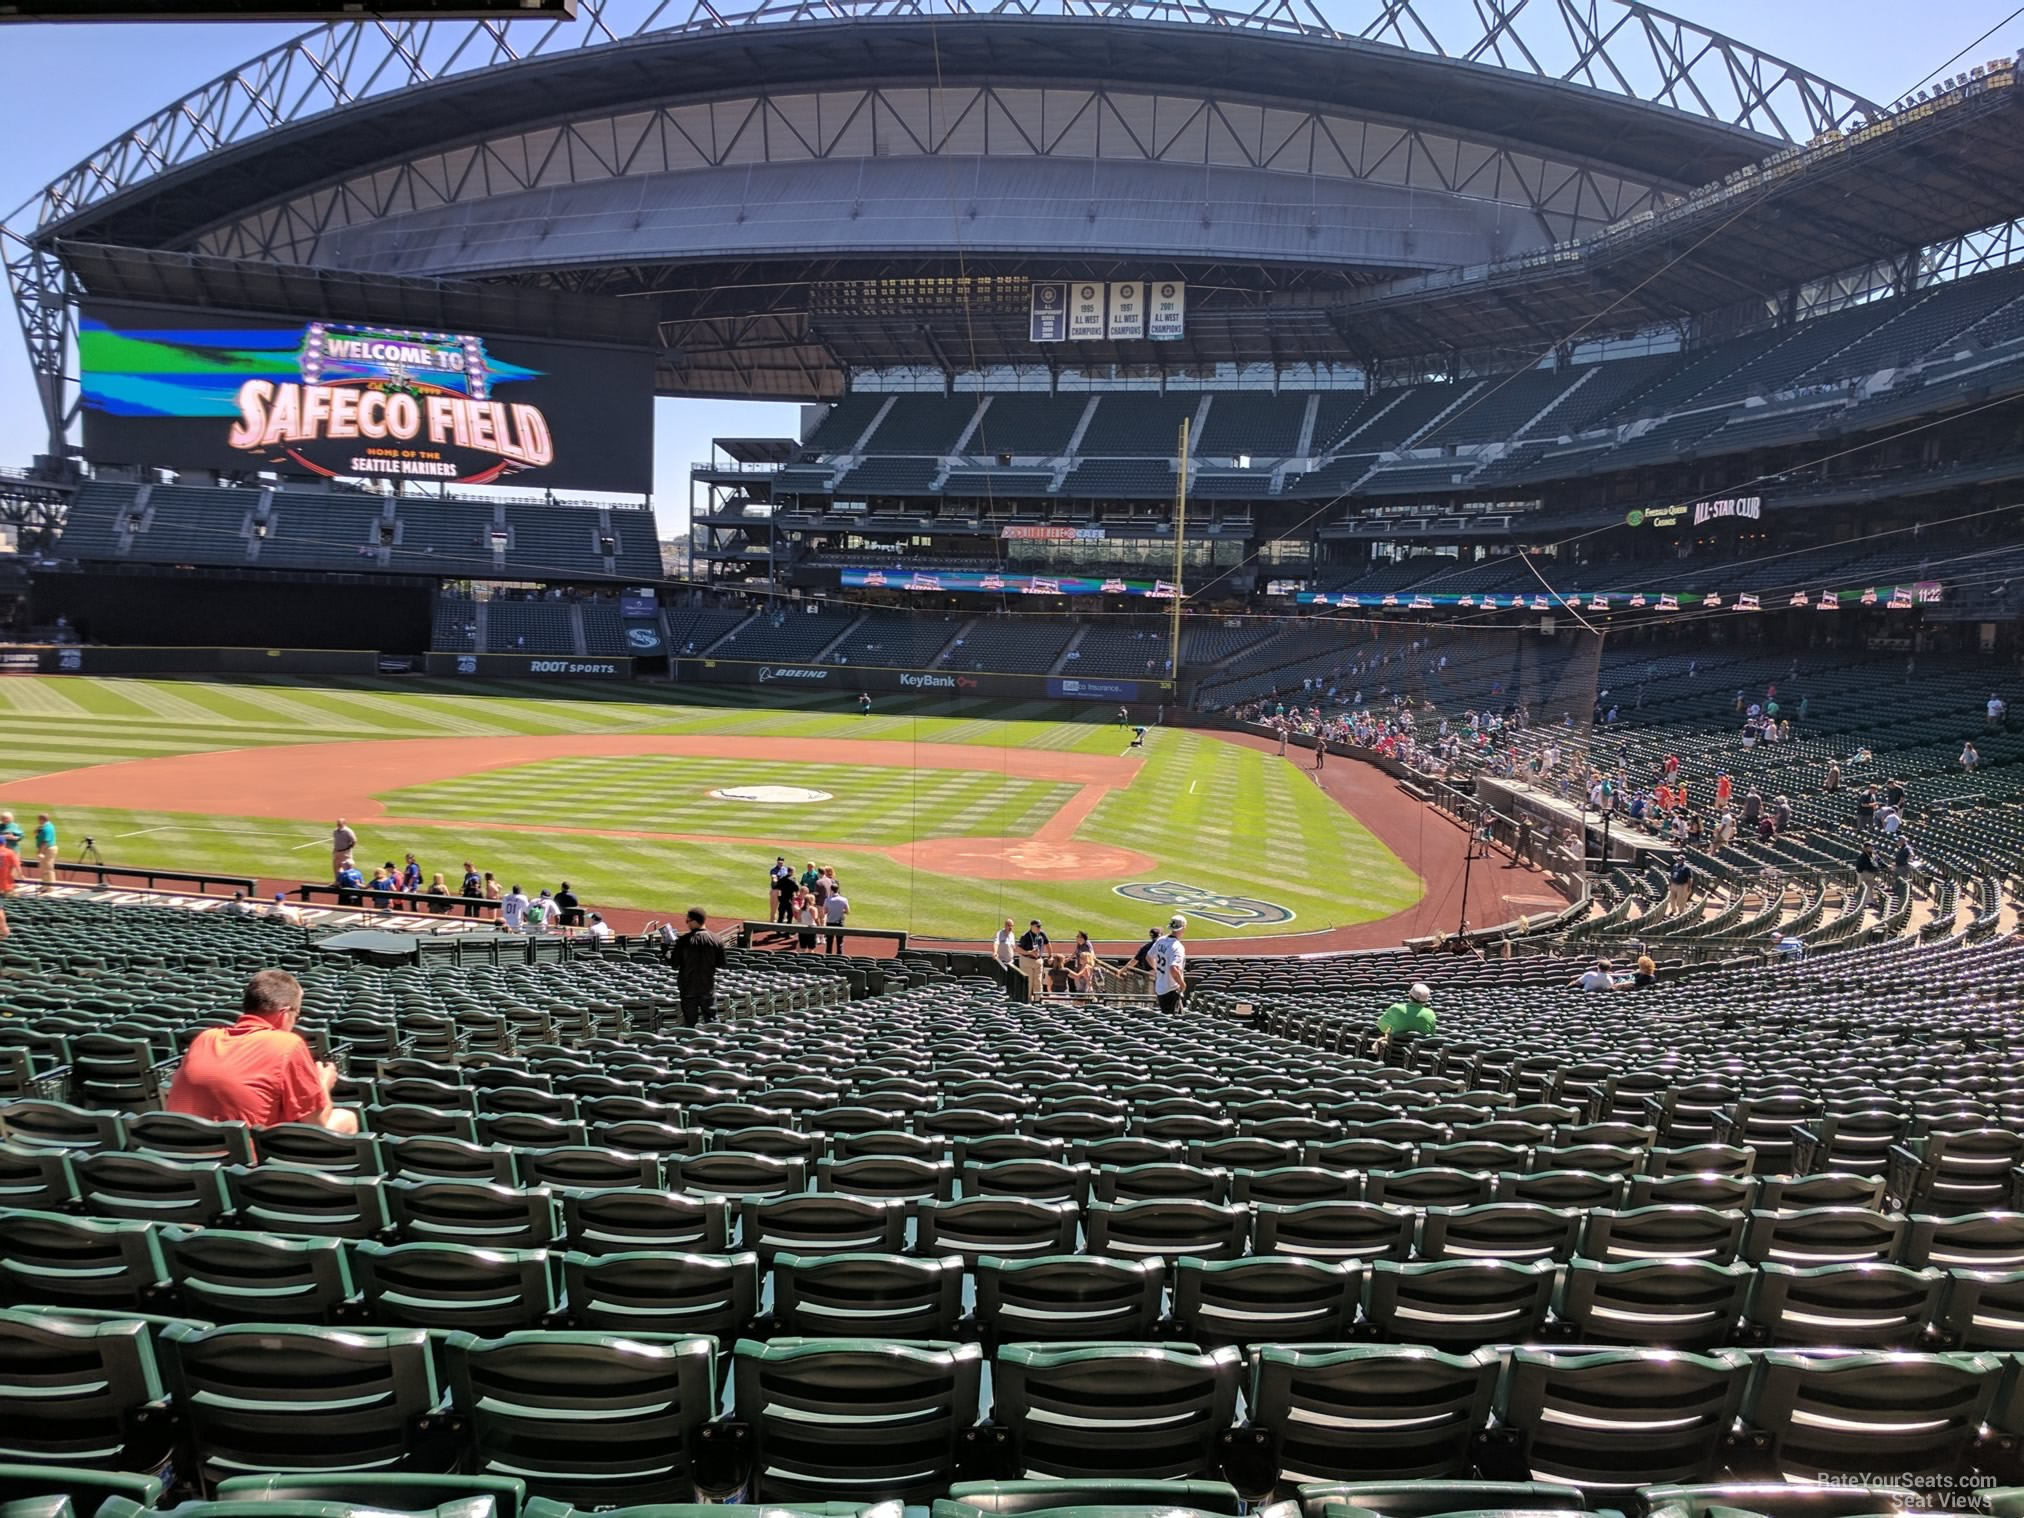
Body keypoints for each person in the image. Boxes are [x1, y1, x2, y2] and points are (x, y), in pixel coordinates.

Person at [164, 970, 358, 1134]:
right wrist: (324, 1082)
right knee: (347, 1118)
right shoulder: (288, 1044)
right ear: (285, 1013)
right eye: (296, 1016)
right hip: (240, 1158)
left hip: (180, 1148)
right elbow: (318, 1123)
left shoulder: (205, 1038)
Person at [673, 907, 726, 1025]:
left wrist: (664, 948)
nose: (686, 924)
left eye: (687, 921)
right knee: (712, 1020)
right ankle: (715, 1041)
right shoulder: (717, 939)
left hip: (687, 987)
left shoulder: (684, 940)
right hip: (707, 987)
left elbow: (674, 964)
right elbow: (721, 964)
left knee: (690, 1022)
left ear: (695, 921)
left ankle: (689, 1043)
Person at [1375, 981, 1436, 1050]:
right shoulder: (1431, 1014)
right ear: (1426, 1001)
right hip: (1419, 1055)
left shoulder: (1395, 1008)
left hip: (1394, 1050)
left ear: (1409, 995)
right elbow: (1432, 1035)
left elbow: (1381, 1026)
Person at [1149, 915, 1188, 1015]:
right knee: (1172, 1021)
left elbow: (1149, 956)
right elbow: (1173, 968)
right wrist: (1182, 984)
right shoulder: (1178, 947)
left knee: (1164, 1017)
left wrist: (1157, 970)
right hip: (1170, 989)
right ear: (1183, 928)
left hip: (1160, 986)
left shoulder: (1161, 940)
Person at [992, 917, 1018, 992]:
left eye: (1012, 926)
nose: (1011, 927)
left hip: (1010, 961)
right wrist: (995, 952)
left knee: (1010, 979)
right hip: (1002, 961)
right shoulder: (1000, 934)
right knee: (1002, 979)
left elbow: (1013, 947)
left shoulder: (1012, 935)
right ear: (1005, 925)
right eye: (1009, 925)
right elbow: (996, 944)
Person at [823, 884, 850, 954]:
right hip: (840, 923)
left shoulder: (827, 900)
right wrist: (840, 910)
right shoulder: (844, 899)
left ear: (831, 890)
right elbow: (847, 912)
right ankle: (839, 958)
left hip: (830, 923)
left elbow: (824, 911)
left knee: (829, 943)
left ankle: (827, 958)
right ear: (838, 890)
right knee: (840, 943)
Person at [770, 857, 795, 925]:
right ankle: (773, 921)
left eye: (781, 862)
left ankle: (783, 921)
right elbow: (774, 878)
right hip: (775, 890)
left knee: (784, 905)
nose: (780, 863)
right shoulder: (773, 870)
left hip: (783, 891)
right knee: (774, 907)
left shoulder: (786, 869)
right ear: (777, 862)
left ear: (783, 862)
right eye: (779, 862)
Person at [33, 814, 56, 884]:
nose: (38, 821)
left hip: (48, 849)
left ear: (42, 819)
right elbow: (36, 834)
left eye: (39, 819)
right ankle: (44, 884)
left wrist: (40, 852)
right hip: (46, 849)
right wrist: (37, 830)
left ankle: (50, 886)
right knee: (43, 868)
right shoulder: (43, 827)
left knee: (48, 868)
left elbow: (45, 842)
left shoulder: (47, 828)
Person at [0, 833, 17, 899]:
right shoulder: (9, 852)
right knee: (11, 896)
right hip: (5, 879)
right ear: (4, 843)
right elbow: (15, 865)